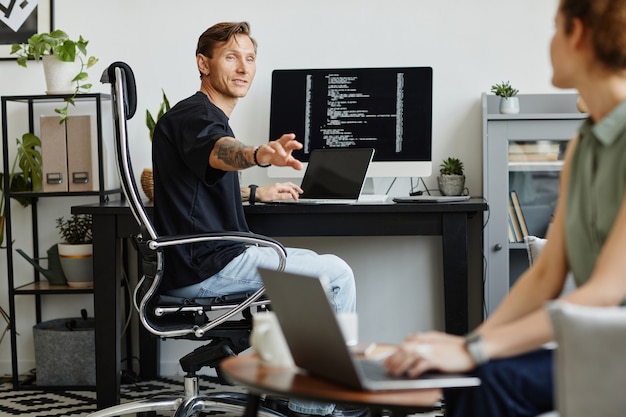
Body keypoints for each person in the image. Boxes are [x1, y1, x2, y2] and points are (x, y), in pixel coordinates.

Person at [385, 1, 626, 416]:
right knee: (466, 378)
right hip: (598, 340)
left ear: (579, 34)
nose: (550, 42)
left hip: (612, 342)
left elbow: (605, 293)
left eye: (555, 28)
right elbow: (547, 275)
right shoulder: (585, 144)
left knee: (490, 381)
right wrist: (467, 347)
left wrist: (474, 348)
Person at [151, 22, 366, 417]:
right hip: (208, 263)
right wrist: (259, 156)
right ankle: (314, 405)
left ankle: (305, 390)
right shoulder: (197, 116)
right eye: (231, 57)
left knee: (311, 275)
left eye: (250, 58)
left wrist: (254, 192)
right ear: (203, 63)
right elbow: (220, 151)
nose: (243, 67)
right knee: (336, 274)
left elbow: (193, 185)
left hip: (201, 260)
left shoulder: (195, 116)